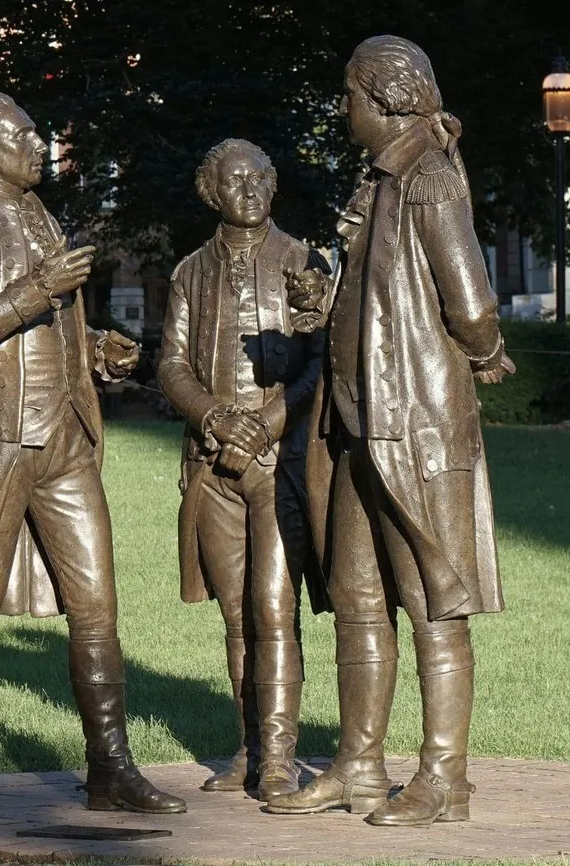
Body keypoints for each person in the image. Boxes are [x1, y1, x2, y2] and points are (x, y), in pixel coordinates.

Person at [265, 37, 515, 827]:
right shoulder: (377, 182)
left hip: (414, 424)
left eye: (350, 96)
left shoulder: (429, 179)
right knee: (356, 595)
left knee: (433, 597)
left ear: (387, 100)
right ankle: (358, 764)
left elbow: (469, 301)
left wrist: (485, 353)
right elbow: (376, 294)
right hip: (355, 422)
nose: (345, 109)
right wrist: (324, 297)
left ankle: (445, 777)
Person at [0, 90, 185, 819]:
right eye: (27, 138)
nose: (40, 148)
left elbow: (52, 323)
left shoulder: (40, 214)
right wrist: (41, 288)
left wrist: (97, 348)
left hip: (64, 437)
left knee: (98, 607)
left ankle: (111, 767)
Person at [157, 139, 329, 800]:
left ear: (275, 183)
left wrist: (263, 422)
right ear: (211, 189)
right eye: (235, 178)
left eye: (261, 176)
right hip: (211, 464)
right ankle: (251, 747)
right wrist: (212, 417)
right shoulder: (190, 272)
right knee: (236, 615)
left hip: (278, 461)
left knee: (273, 608)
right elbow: (171, 363)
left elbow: (321, 362)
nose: (250, 187)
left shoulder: (302, 261)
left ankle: (282, 754)